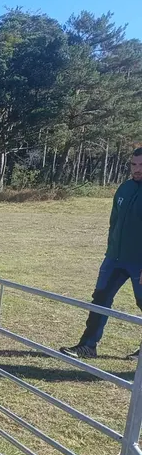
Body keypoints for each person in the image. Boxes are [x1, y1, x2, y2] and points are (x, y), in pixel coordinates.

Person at [61, 147, 142, 359]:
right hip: (115, 258)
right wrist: (111, 249)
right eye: (134, 165)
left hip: (139, 262)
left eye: (141, 165)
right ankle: (88, 346)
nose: (137, 169)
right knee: (100, 299)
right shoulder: (124, 189)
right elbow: (114, 222)